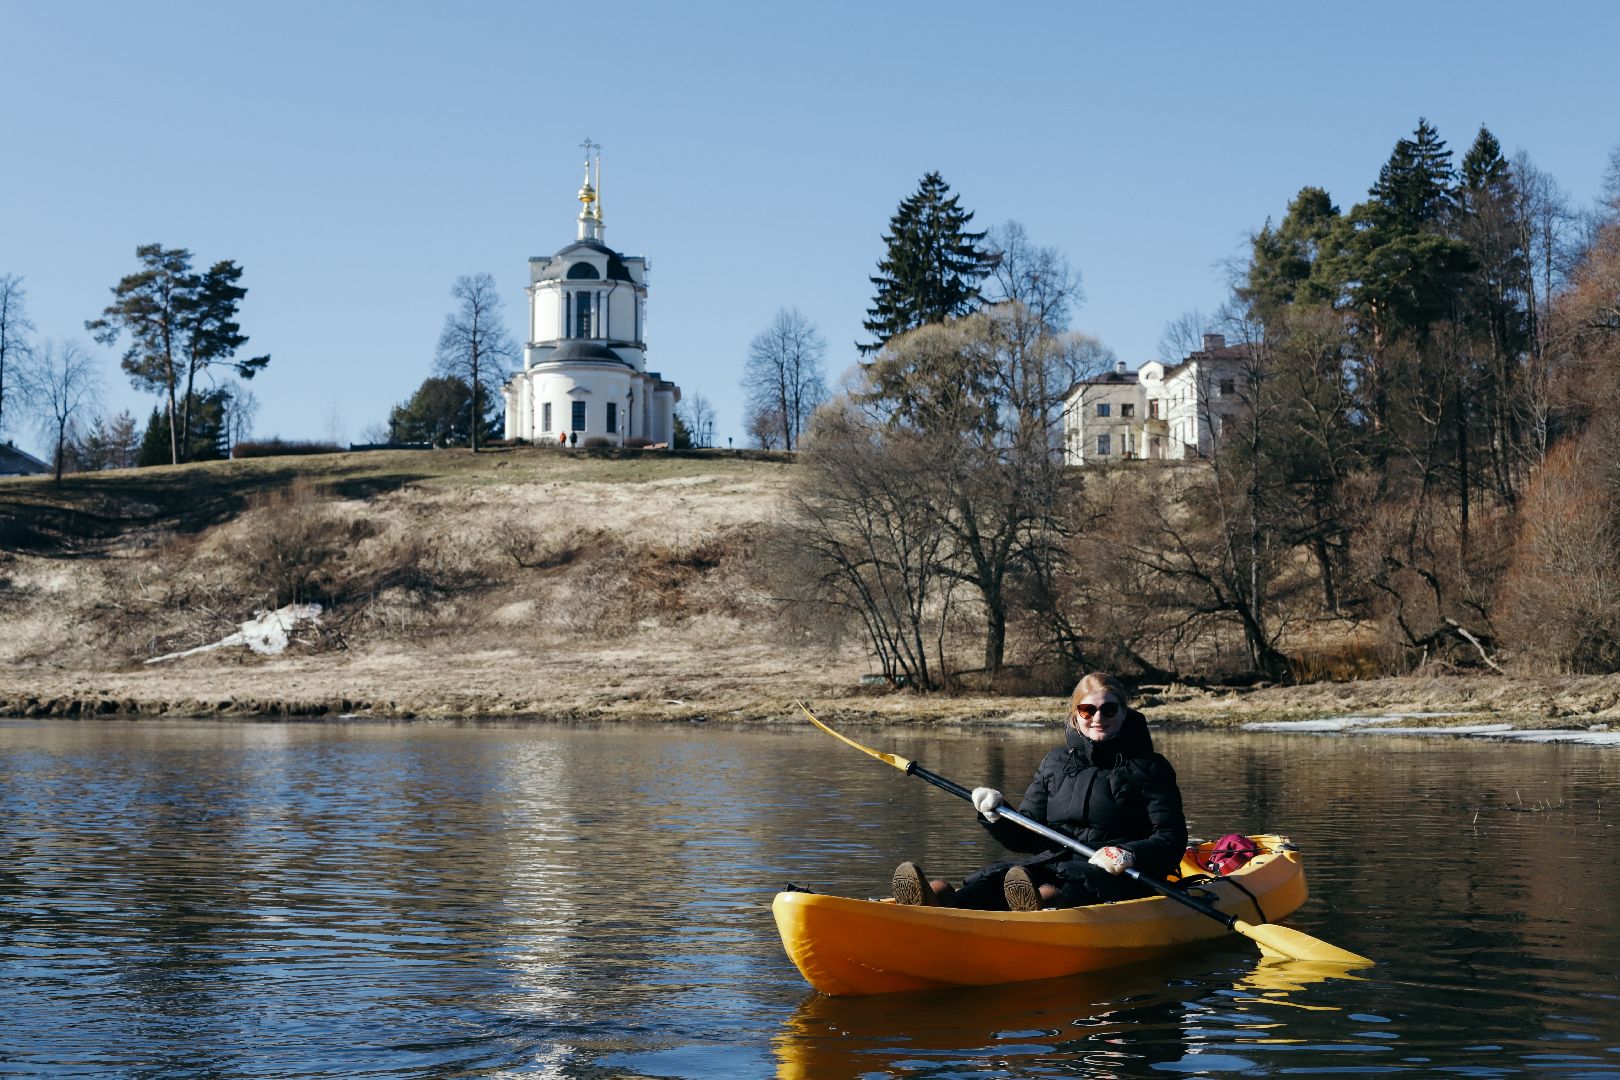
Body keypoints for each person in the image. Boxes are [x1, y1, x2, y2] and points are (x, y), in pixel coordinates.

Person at [891, 672, 1187, 911]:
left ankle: (1036, 913)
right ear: (1076, 714)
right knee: (994, 881)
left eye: (1109, 709)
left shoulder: (1151, 768)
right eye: (1088, 709)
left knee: (1055, 892)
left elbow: (1171, 839)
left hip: (1114, 875)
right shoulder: (1055, 762)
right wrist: (995, 814)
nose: (1098, 717)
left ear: (1124, 712)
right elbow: (1028, 833)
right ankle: (939, 900)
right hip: (1053, 863)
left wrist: (1129, 853)